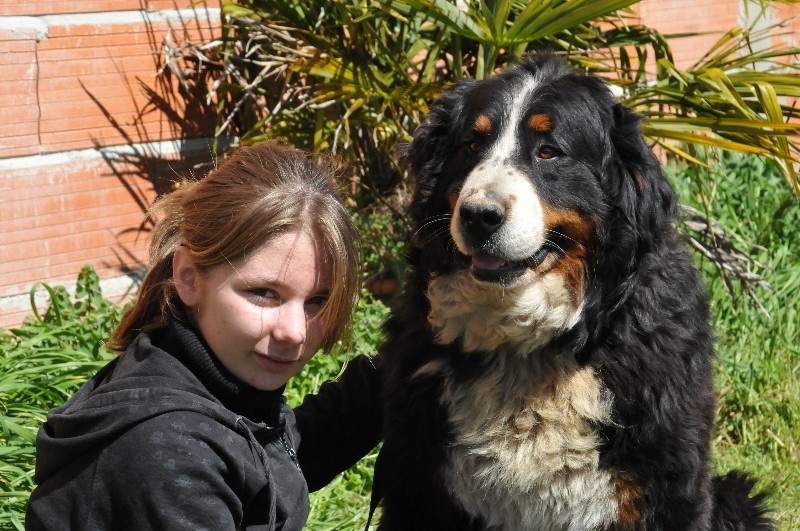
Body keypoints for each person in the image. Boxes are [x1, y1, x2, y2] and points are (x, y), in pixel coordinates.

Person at [26, 142, 382, 530]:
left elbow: (282, 454)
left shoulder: (196, 376)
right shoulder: (170, 454)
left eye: (317, 301)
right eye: (263, 293)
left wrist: (413, 362)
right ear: (189, 277)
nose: (295, 332)